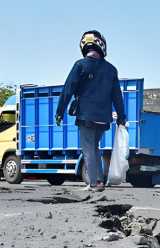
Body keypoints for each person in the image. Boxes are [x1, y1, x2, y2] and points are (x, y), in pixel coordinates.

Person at [56, 30, 126, 193]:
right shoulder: (111, 69)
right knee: (95, 147)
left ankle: (93, 184)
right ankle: (100, 181)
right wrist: (121, 116)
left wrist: (60, 112)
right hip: (104, 118)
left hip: (86, 115)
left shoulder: (80, 65)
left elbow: (67, 90)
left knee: (88, 148)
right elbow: (117, 95)